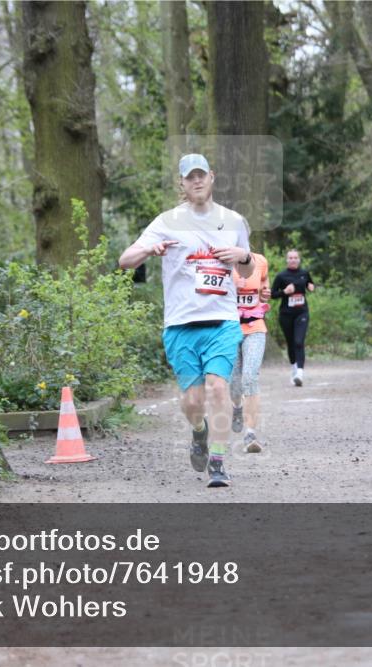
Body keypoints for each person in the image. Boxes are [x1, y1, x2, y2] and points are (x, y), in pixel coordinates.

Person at [118, 153, 254, 488]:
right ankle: (199, 432)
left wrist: (244, 256)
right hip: (180, 325)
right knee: (193, 401)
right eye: (189, 177)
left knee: (218, 388)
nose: (196, 181)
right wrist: (151, 250)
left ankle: (218, 462)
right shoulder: (166, 221)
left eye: (201, 175)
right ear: (181, 183)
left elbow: (249, 270)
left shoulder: (233, 221)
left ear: (212, 177)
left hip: (221, 320)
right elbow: (125, 260)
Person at [230, 253, 271, 453]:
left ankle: (250, 434)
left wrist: (265, 294)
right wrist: (230, 289)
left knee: (250, 377)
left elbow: (264, 286)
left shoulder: (260, 261)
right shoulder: (221, 260)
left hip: (255, 328)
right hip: (228, 330)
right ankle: (237, 407)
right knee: (233, 383)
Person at [271, 249, 315, 386]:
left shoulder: (304, 273)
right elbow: (272, 294)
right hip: (286, 315)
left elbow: (310, 284)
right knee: (291, 343)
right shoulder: (281, 276)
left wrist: (311, 286)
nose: (293, 260)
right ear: (287, 260)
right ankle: (294, 368)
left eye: (295, 257)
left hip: (302, 313)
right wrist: (284, 292)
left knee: (298, 341)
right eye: (290, 258)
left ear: (299, 260)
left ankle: (300, 373)